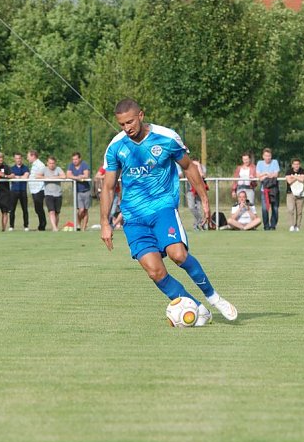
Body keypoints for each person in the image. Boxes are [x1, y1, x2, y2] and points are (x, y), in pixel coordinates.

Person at [100, 98, 237, 326]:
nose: (127, 128)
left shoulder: (166, 137)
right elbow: (107, 186)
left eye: (130, 122)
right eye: (122, 124)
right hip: (134, 219)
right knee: (155, 272)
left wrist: (204, 198)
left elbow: (189, 166)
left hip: (162, 208)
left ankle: (214, 298)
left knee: (178, 255)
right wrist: (104, 222)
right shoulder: (116, 146)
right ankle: (198, 309)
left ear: (141, 115)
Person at [39, 155, 66, 231]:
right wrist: (46, 178)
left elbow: (64, 176)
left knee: (57, 212)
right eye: (50, 163)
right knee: (51, 211)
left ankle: (55, 227)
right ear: (47, 163)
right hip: (48, 194)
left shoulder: (58, 169)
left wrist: (54, 178)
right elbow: (37, 176)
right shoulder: (44, 169)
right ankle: (54, 227)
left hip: (58, 194)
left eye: (53, 163)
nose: (51, 165)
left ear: (55, 163)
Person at [256, 148, 280, 230]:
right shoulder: (259, 163)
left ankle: (273, 225)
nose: (268, 157)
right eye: (266, 156)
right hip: (264, 190)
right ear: (263, 156)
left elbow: (276, 174)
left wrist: (265, 176)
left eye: (269, 156)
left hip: (274, 189)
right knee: (264, 208)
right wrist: (266, 173)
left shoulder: (275, 162)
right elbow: (258, 176)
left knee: (275, 208)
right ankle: (266, 225)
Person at [67, 152, 91, 231]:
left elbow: (86, 175)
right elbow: (68, 175)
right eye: (73, 159)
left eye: (76, 159)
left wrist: (80, 177)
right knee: (81, 210)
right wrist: (78, 177)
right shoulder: (71, 166)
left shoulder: (84, 164)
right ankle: (78, 224)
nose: (74, 161)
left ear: (79, 159)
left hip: (86, 190)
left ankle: (84, 228)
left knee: (86, 210)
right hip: (77, 191)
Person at [185, 156, 208, 231]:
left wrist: (198, 167)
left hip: (199, 189)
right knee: (191, 207)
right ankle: (201, 221)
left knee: (199, 207)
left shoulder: (202, 167)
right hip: (190, 190)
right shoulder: (187, 166)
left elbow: (203, 176)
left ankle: (197, 225)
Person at [27, 149, 48, 231]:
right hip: (34, 189)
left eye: (28, 156)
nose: (27, 158)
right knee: (37, 208)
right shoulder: (34, 165)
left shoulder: (40, 165)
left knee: (39, 207)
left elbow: (41, 176)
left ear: (33, 156)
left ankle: (42, 224)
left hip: (39, 189)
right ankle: (41, 224)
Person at [9, 152, 30, 232]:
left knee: (25, 209)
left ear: (21, 159)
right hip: (14, 191)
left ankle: (26, 225)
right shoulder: (11, 168)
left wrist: (17, 177)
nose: (18, 160)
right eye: (17, 158)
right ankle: (11, 226)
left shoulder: (25, 168)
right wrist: (19, 176)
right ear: (14, 159)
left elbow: (26, 176)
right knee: (12, 209)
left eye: (19, 158)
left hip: (23, 191)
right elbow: (11, 176)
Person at [284, 158, 304, 232]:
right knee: (290, 210)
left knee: (299, 211)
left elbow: (302, 179)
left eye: (298, 164)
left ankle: (298, 226)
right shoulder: (288, 171)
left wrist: (294, 176)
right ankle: (292, 225)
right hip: (290, 193)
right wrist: (297, 177)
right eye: (295, 164)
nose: (296, 166)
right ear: (292, 165)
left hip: (300, 194)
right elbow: (289, 181)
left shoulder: (302, 171)